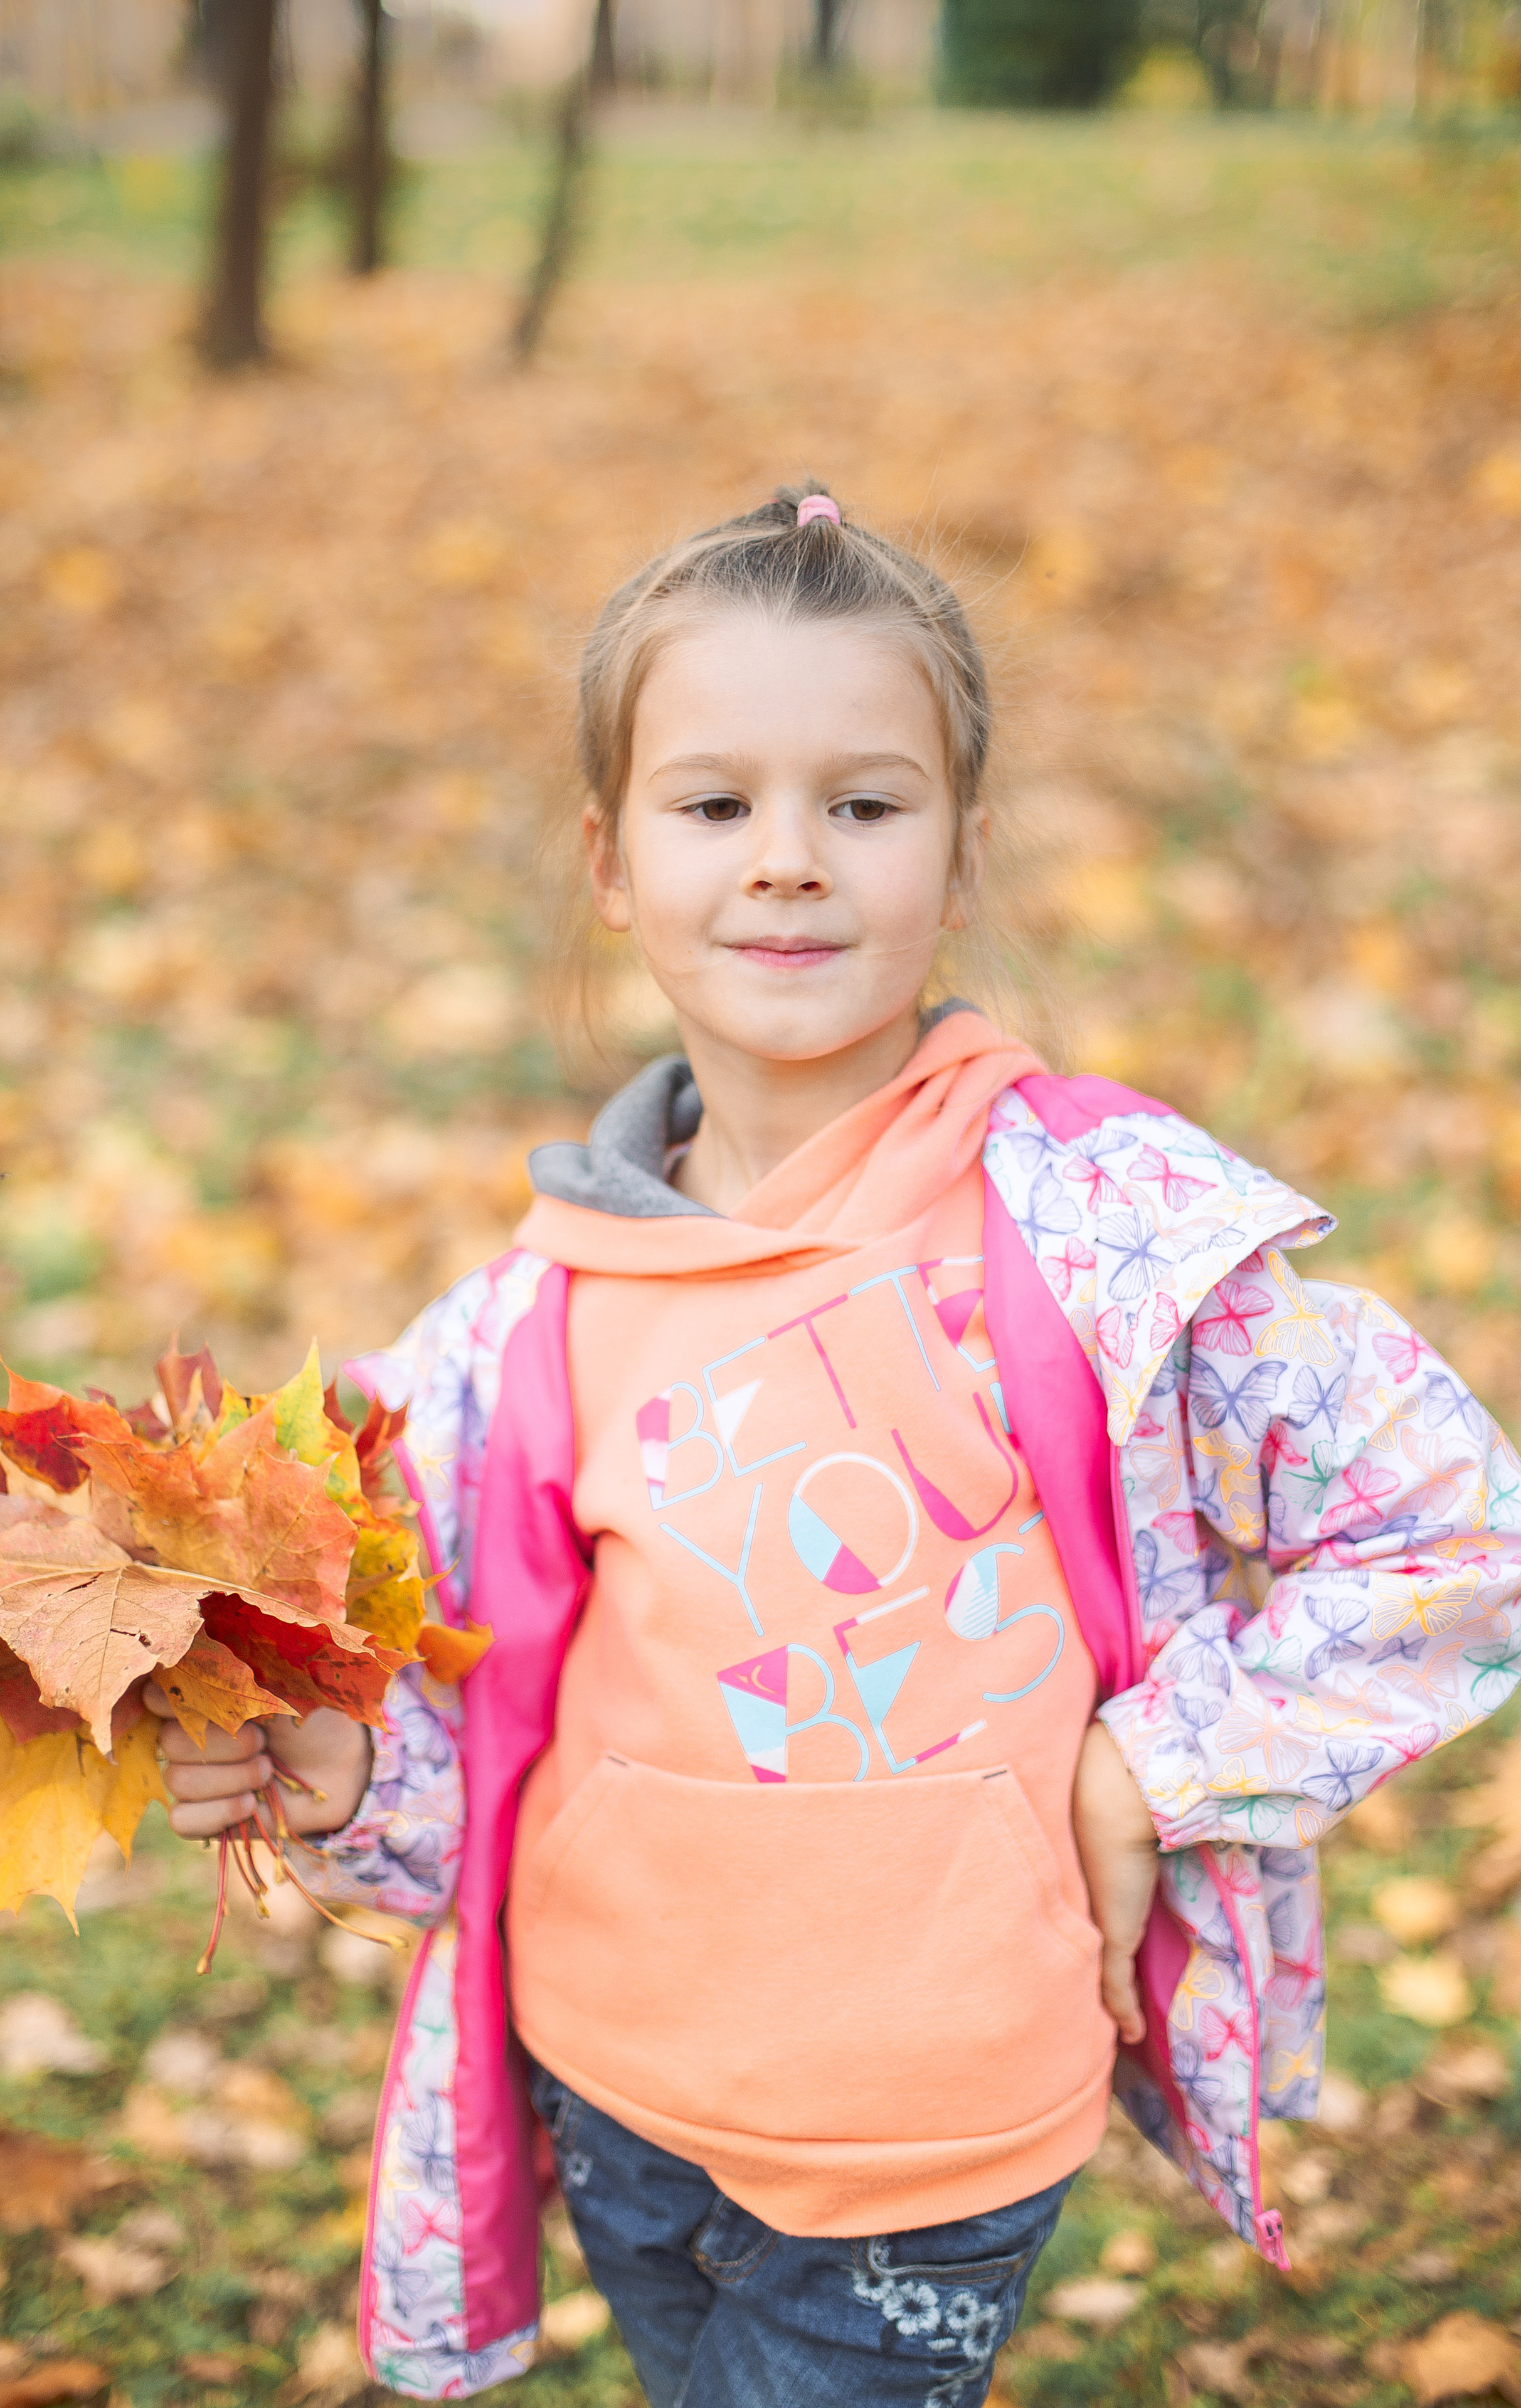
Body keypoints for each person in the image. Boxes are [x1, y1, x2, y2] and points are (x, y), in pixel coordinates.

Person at [151, 487, 1521, 2407]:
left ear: (957, 855)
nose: (788, 863)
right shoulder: (521, 1328)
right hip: (615, 2089)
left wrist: (1154, 1764)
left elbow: (1452, 1530)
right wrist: (328, 1760)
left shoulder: (1095, 1238)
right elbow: (482, 1744)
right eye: (715, 807)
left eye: (863, 807)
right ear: (611, 860)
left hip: (928, 2137)